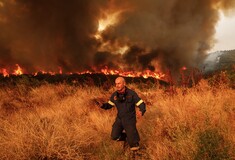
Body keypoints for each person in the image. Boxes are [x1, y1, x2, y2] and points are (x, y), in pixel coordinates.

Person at [100, 76, 146, 151]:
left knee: (133, 145)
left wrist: (141, 111)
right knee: (114, 136)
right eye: (116, 84)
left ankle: (137, 154)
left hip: (130, 120)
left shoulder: (132, 94)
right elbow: (109, 105)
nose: (117, 85)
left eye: (119, 83)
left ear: (124, 83)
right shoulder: (114, 95)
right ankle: (128, 137)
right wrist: (102, 105)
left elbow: (141, 103)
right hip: (119, 119)